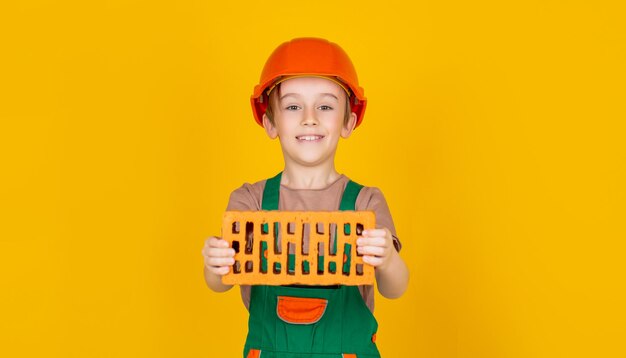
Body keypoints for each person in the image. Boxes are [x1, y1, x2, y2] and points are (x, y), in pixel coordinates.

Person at [202, 37, 409, 358]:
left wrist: (388, 259)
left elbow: (394, 288)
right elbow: (219, 283)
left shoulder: (365, 202)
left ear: (348, 122)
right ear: (270, 122)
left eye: (325, 106)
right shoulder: (249, 201)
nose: (309, 117)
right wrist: (215, 264)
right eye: (293, 106)